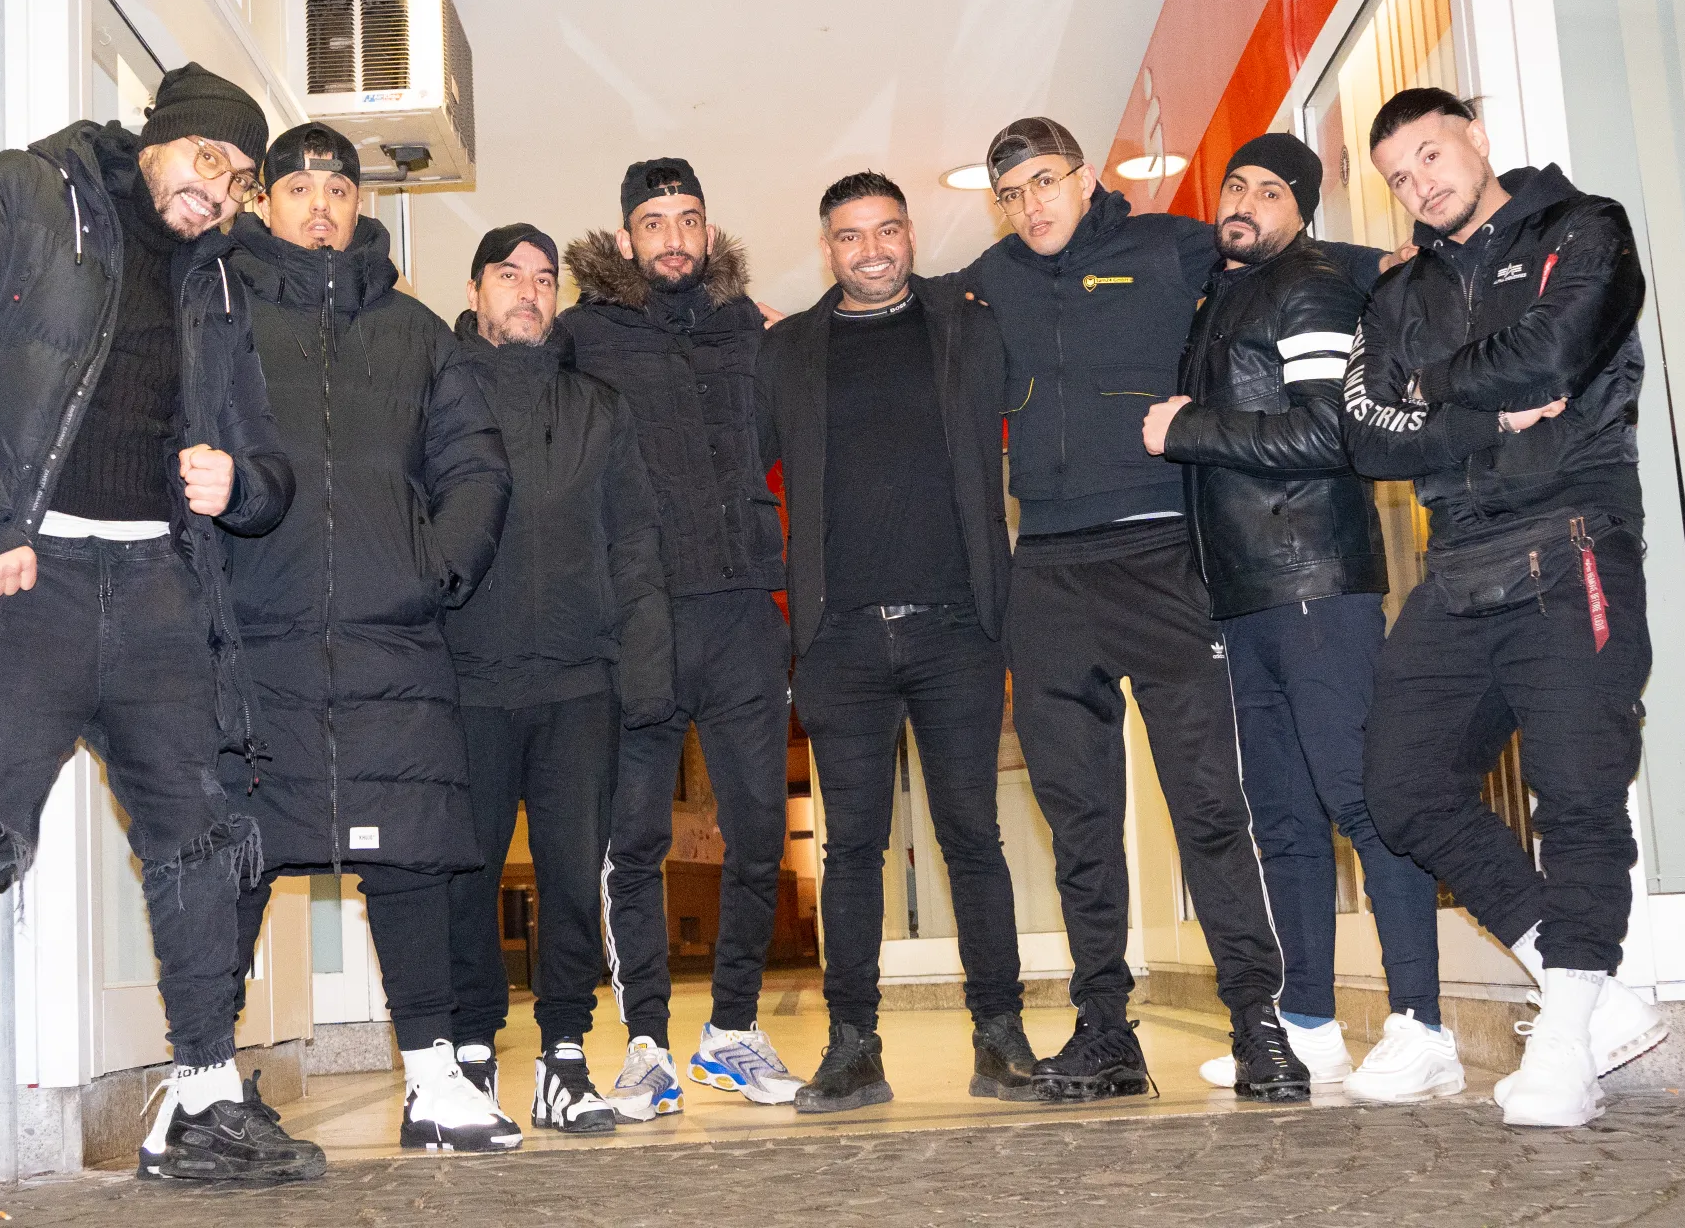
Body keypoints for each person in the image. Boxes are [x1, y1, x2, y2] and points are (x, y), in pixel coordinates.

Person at [0, 64, 320, 1228]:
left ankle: (203, 1103)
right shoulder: (23, 193)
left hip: (158, 590)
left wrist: (239, 484)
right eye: (211, 160)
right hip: (25, 584)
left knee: (201, 846)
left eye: (243, 179)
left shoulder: (218, 283)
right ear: (162, 136)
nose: (221, 190)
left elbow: (267, 458)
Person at [960, 117, 1386, 1105]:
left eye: (1046, 181)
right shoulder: (992, 277)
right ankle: (1106, 1034)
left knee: (1209, 811)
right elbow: (903, 311)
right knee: (1080, 825)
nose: (1032, 205)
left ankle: (1259, 1026)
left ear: (1085, 178)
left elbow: (1293, 257)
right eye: (1012, 194)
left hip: (1161, 560)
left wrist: (1402, 263)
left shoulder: (1167, 247)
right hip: (1048, 575)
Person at [1344, 87, 1667, 1128]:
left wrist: (1429, 385)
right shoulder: (1399, 293)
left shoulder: (1585, 228)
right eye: (1400, 177)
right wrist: (1486, 409)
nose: (1421, 184)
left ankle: (1565, 1044)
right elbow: (1368, 439)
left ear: (1477, 138)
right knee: (1400, 786)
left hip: (1573, 536)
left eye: (1432, 156)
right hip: (1458, 562)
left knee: (1577, 798)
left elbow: (1555, 352)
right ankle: (1593, 1000)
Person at [217, 123, 518, 1153]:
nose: (320, 206)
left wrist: (437, 569)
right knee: (234, 862)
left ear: (359, 206)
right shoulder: (220, 316)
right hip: (255, 639)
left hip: (393, 642)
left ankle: (433, 1080)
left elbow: (476, 467)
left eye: (338, 190)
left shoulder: (418, 333)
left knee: (413, 861)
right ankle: (202, 1083)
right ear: (264, 202)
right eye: (299, 188)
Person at [1146, 133, 1460, 1104]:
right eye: (1235, 185)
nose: (1244, 201)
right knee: (1283, 820)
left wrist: (1186, 427)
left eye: (1270, 190)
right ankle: (1311, 1025)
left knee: (1365, 801)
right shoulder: (1226, 294)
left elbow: (1331, 429)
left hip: (1316, 585)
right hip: (1247, 598)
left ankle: (1423, 1025)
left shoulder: (1309, 288)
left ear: (1303, 209)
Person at [757, 172, 1033, 1114]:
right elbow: (742, 472)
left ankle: (1001, 1037)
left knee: (973, 838)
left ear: (910, 235)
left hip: (958, 631)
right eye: (850, 236)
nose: (870, 250)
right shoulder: (787, 351)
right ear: (826, 248)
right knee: (850, 852)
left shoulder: (967, 326)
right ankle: (853, 1047)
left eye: (886, 231)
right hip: (839, 642)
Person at [562, 157, 800, 1115]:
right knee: (635, 842)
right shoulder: (583, 335)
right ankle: (647, 1046)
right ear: (627, 238)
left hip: (743, 612)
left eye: (689, 219)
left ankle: (732, 1031)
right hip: (641, 619)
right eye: (655, 222)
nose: (674, 237)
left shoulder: (751, 330)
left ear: (708, 230)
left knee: (759, 834)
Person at [443, 222, 673, 1135]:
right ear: (475, 291)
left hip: (581, 683)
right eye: (510, 275)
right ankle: (468, 1056)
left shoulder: (599, 409)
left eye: (544, 279)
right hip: (465, 682)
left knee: (574, 876)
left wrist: (645, 672)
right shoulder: (436, 396)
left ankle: (564, 1060)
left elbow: (636, 543)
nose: (530, 291)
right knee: (464, 876)